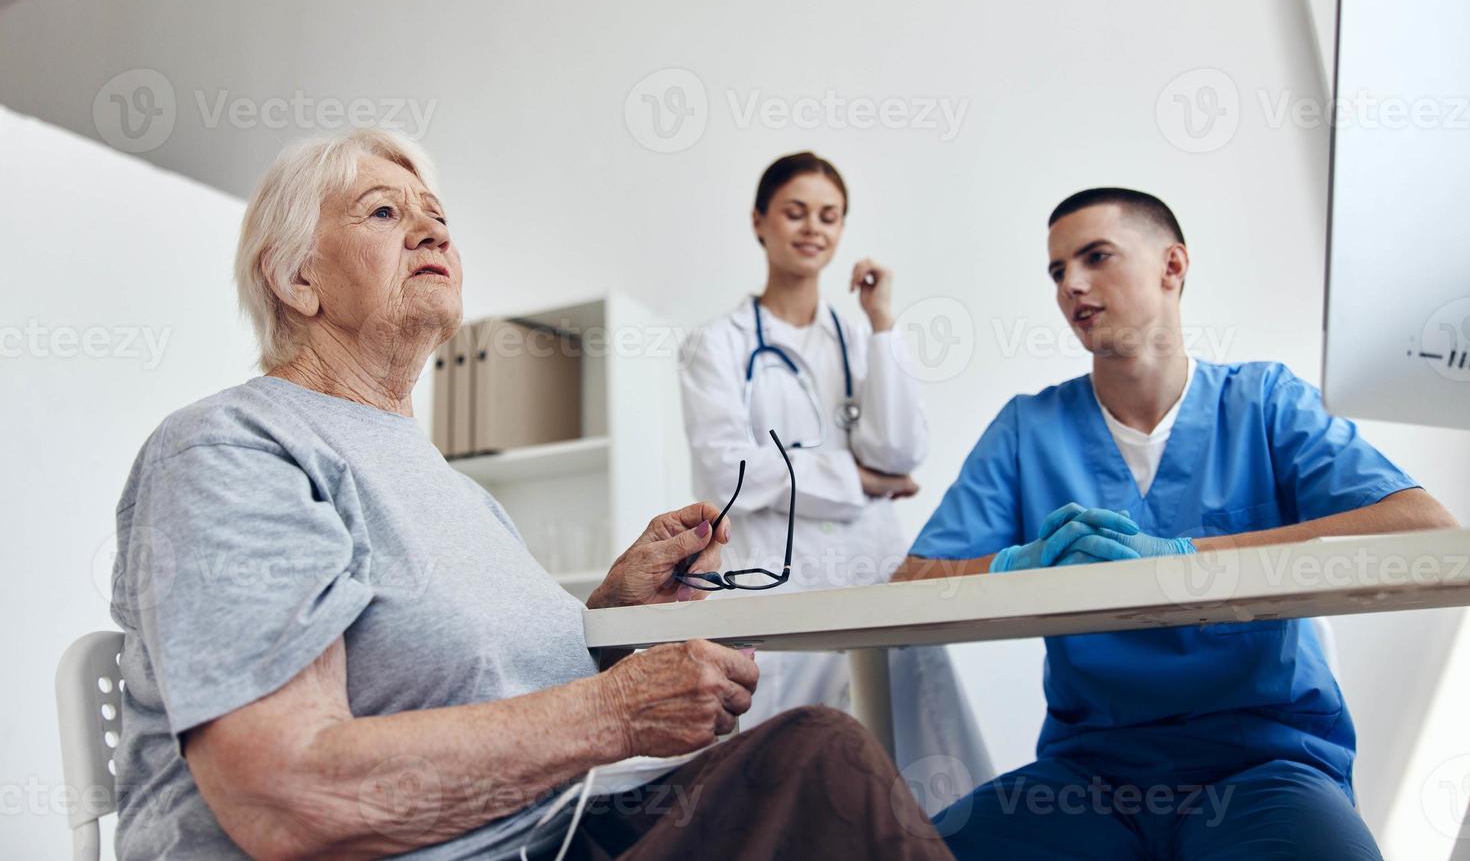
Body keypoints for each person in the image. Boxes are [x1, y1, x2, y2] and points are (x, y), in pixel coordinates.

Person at [109, 129, 955, 861]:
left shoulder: (454, 491)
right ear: (297, 278)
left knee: (816, 760)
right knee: (822, 764)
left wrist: (613, 615)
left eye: (437, 214)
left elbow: (482, 684)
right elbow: (284, 792)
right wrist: (618, 709)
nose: (431, 227)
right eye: (384, 212)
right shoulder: (237, 446)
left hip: (545, 830)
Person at [893, 187, 1459, 859]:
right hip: (1088, 778)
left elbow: (1422, 527)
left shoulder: (1264, 403)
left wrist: (1191, 553)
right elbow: (913, 582)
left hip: (1264, 763)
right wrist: (1020, 564)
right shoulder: (1029, 430)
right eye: (1056, 271)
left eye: (1096, 256)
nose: (1071, 284)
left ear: (1173, 265)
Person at [679, 151, 989, 794]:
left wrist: (882, 323)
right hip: (774, 584)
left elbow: (900, 453)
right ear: (760, 221)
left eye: (830, 216)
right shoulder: (717, 344)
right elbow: (727, 470)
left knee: (922, 773)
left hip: (871, 574)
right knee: (788, 783)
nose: (813, 228)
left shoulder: (859, 335)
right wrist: (857, 480)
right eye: (795, 212)